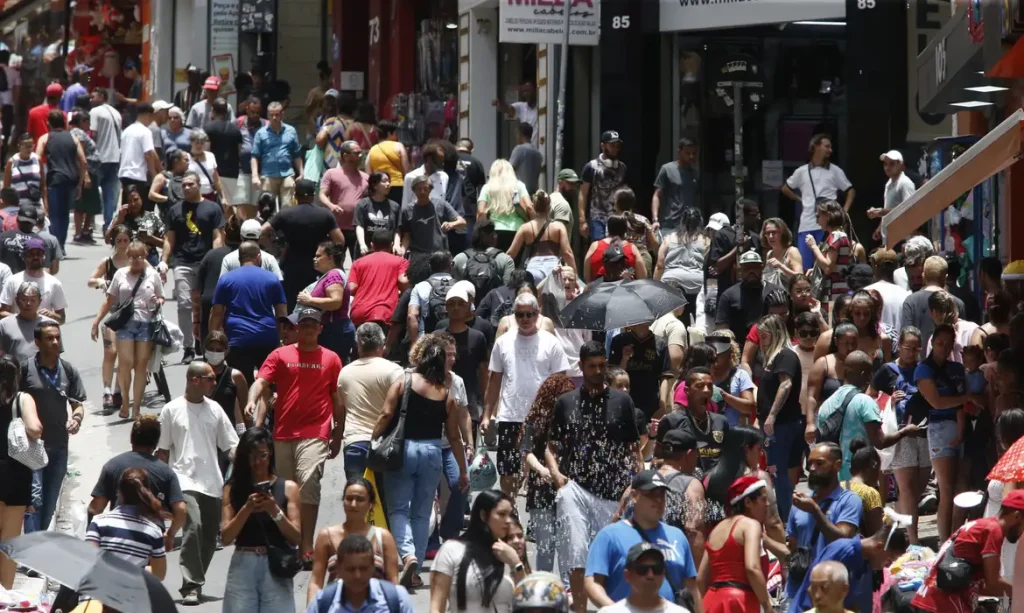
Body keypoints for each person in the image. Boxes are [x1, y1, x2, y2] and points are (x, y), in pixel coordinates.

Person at [548, 341, 647, 613]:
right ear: (580, 366)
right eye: (591, 366)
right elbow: (551, 446)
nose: (597, 371)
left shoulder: (622, 401)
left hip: (614, 493)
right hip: (575, 489)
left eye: (602, 366)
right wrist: (557, 475)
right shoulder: (565, 402)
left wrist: (635, 485)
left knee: (615, 561)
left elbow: (633, 449)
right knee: (577, 556)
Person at [371, 334, 469, 587]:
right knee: (422, 512)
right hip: (433, 452)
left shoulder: (403, 380)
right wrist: (463, 470)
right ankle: (414, 573)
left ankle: (408, 554)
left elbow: (385, 414)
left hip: (404, 451)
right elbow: (454, 438)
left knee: (398, 508)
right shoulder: (447, 394)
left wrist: (372, 438)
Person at [248, 305, 343, 567]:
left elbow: (337, 398)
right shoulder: (280, 355)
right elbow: (261, 382)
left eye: (314, 324)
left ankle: (307, 546)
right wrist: (251, 399)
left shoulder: (332, 359)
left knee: (309, 484)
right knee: (288, 491)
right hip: (283, 432)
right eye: (305, 324)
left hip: (316, 432)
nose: (309, 327)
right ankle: (288, 541)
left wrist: (338, 434)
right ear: (297, 328)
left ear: (321, 328)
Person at [157, 361, 240, 605]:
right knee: (194, 527)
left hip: (212, 481)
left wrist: (245, 463)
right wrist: (161, 490)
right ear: (195, 380)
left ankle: (196, 579)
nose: (215, 383)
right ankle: (191, 585)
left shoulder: (214, 409)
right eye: (210, 378)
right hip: (182, 480)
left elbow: (230, 444)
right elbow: (162, 452)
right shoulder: (171, 410)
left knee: (209, 536)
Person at [484, 292, 569, 496]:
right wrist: (487, 415)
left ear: (537, 314)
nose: (524, 319)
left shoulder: (551, 342)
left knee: (540, 469)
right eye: (520, 315)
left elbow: (560, 381)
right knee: (508, 469)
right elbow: (494, 380)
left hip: (541, 417)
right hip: (510, 415)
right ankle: (511, 509)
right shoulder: (502, 342)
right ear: (514, 316)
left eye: (529, 314)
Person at [585, 470, 701, 611]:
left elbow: (692, 588)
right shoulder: (609, 535)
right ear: (634, 496)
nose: (658, 500)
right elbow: (592, 583)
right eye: (651, 494)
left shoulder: (678, 536)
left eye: (662, 495)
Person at [220, 427, 302, 613]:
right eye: (251, 456)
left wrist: (274, 510)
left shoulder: (288, 488)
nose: (257, 462)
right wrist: (247, 509)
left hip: (275, 565)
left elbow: (296, 537)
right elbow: (225, 537)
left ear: (270, 453)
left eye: (262, 455)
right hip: (243, 564)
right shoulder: (232, 489)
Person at [909, 490, 1023, 613]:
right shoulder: (993, 531)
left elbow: (983, 586)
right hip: (942, 603)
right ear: (1016, 516)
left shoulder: (982, 525)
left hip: (929, 598)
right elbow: (993, 584)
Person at [21, 322, 86, 534]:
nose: (55, 342)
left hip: (59, 446)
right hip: (31, 447)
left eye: (57, 337)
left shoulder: (68, 370)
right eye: (49, 338)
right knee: (34, 500)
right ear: (38, 342)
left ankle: (38, 544)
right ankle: (32, 550)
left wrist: (76, 419)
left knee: (49, 502)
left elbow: (77, 403)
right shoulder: (25, 369)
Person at [87, 415, 186, 552]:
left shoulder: (112, 465)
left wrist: (92, 536)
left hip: (117, 539)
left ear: (131, 439)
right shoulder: (166, 472)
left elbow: (95, 508)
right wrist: (170, 535)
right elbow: (180, 510)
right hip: (150, 543)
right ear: (156, 442)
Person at [814, 350, 916, 480]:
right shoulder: (865, 402)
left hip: (833, 481)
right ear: (864, 374)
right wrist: (906, 431)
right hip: (858, 480)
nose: (870, 378)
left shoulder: (826, 404)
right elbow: (880, 442)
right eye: (869, 374)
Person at [915, 323, 975, 542]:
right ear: (932, 342)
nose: (944, 347)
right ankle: (944, 540)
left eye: (948, 344)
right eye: (940, 343)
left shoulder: (957, 368)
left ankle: (956, 536)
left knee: (961, 486)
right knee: (946, 489)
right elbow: (937, 402)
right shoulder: (924, 369)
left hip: (962, 425)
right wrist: (966, 399)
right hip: (940, 427)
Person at [783, 443, 862, 605]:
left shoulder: (849, 501)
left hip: (832, 592)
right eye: (810, 463)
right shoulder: (800, 502)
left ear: (837, 465)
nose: (812, 468)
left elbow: (843, 540)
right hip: (798, 591)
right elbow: (792, 547)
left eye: (819, 463)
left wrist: (814, 511)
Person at [91, 241, 163, 419]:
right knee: (126, 363)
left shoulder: (153, 275)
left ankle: (136, 408)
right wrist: (97, 321)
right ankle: (125, 401)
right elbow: (109, 301)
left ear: (145, 257)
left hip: (146, 323)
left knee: (141, 366)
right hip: (125, 324)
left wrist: (157, 301)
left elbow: (161, 298)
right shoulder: (120, 275)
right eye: (133, 257)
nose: (137, 260)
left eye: (140, 256)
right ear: (128, 258)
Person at [870, 327, 929, 543]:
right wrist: (889, 401)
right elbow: (871, 398)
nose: (912, 352)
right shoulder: (887, 370)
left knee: (920, 486)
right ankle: (913, 540)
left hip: (924, 434)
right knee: (907, 489)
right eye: (908, 348)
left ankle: (897, 517)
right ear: (899, 347)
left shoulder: (924, 370)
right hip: (901, 436)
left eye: (916, 348)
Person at [161, 171, 226, 364]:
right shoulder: (175, 210)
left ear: (199, 185)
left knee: (207, 304)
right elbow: (169, 239)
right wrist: (164, 261)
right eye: (184, 185)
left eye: (190, 184)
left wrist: (215, 258)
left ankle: (204, 340)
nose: (187, 188)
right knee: (184, 305)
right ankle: (188, 346)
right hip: (182, 262)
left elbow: (217, 236)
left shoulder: (212, 208)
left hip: (205, 262)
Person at [428, 489, 524, 613]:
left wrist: (516, 563)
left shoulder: (510, 552)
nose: (508, 520)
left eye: (510, 515)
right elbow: (436, 606)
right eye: (502, 514)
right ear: (483, 515)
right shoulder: (452, 550)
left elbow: (527, 600)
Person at [308, 477, 400, 603]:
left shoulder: (383, 537)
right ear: (343, 501)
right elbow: (316, 582)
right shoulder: (326, 536)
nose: (353, 504)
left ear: (371, 504)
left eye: (360, 499)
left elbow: (393, 583)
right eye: (349, 499)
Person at [211, 241, 288, 381]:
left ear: (239, 258)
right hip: (267, 337)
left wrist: (213, 339)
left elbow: (216, 313)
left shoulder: (226, 279)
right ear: (258, 257)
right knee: (267, 383)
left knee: (242, 382)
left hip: (237, 339)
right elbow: (281, 313)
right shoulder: (272, 278)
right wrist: (282, 338)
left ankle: (245, 403)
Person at [263, 178, 344, 309]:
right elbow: (339, 240)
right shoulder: (325, 215)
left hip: (290, 265)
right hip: (317, 266)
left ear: (295, 196)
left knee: (290, 304)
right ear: (313, 196)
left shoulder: (284, 214)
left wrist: (275, 250)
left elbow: (263, 232)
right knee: (314, 305)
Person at [336, 323, 403, 481]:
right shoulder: (394, 371)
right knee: (384, 502)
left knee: (357, 500)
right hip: (385, 445)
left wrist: (336, 439)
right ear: (382, 342)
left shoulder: (345, 372)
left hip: (355, 442)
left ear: (358, 343)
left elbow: (340, 410)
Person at [698, 476, 774, 613]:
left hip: (710, 602)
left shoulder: (716, 530)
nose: (767, 504)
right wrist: (767, 605)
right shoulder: (751, 525)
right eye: (763, 499)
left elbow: (701, 578)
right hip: (739, 602)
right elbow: (752, 568)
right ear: (748, 502)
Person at [754, 314, 803, 521]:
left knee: (777, 474)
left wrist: (771, 415)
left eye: (764, 337)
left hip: (781, 426)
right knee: (781, 475)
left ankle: (787, 521)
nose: (761, 342)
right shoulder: (773, 358)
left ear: (774, 334)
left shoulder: (784, 356)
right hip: (778, 425)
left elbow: (786, 384)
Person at [781, 134, 854, 266]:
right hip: (806, 225)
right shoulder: (801, 172)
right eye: (827, 146)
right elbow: (785, 188)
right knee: (806, 266)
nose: (830, 150)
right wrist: (800, 199)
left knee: (826, 264)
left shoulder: (835, 171)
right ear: (815, 146)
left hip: (828, 225)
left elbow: (851, 191)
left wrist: (844, 211)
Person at [0, 355, 40, 589]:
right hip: (15, 473)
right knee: (10, 539)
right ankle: (4, 593)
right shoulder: (22, 399)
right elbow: (35, 428)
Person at [85, 468, 167, 579]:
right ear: (146, 491)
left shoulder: (98, 522)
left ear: (119, 492)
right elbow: (159, 575)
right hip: (132, 593)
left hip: (98, 590)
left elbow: (89, 560)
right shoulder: (153, 531)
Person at [307, 534, 415, 613]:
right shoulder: (322, 603)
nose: (357, 576)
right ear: (338, 568)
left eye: (363, 569)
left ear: (373, 567)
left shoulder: (397, 599)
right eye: (351, 569)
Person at [437, 282, 490, 434]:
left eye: (461, 304)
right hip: (440, 403)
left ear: (469, 307)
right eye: (451, 304)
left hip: (470, 406)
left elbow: (483, 372)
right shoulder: (436, 336)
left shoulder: (477, 337)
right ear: (446, 307)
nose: (456, 308)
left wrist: (486, 409)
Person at [399, 174, 465, 284]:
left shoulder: (441, 204)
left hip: (440, 256)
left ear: (430, 189)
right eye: (419, 189)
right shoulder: (407, 210)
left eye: (426, 188)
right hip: (418, 258)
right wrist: (402, 251)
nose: (422, 192)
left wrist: (451, 224)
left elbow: (462, 222)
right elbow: (407, 236)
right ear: (414, 190)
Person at [35, 109, 87, 248]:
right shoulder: (73, 138)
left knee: (53, 215)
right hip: (71, 180)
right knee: (64, 215)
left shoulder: (45, 138)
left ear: (49, 123)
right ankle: (61, 246)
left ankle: (53, 246)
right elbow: (83, 161)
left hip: (55, 179)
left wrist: (40, 177)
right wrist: (80, 183)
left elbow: (37, 158)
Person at [297, 242, 355, 362]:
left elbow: (335, 302)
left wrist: (310, 300)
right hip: (332, 331)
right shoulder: (330, 275)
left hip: (335, 332)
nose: (315, 259)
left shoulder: (334, 275)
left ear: (330, 258)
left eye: (318, 256)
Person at [715, 252, 783, 351]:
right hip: (740, 350)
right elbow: (722, 330)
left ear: (762, 267)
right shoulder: (729, 295)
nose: (751, 272)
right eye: (747, 268)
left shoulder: (775, 292)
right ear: (740, 270)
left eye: (754, 267)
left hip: (772, 347)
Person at [901, 255, 965, 358]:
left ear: (923, 276)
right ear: (945, 277)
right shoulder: (957, 303)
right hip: (950, 365)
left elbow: (906, 336)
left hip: (918, 367)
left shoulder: (910, 301)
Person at [507, 190, 575, 284]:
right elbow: (567, 253)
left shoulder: (525, 228)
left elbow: (511, 254)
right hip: (554, 269)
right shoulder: (559, 226)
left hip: (533, 269)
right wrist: (575, 276)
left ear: (534, 207)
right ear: (549, 207)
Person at [655, 207, 709, 327]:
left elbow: (659, 265)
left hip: (671, 285)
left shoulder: (669, 238)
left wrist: (655, 285)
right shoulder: (705, 240)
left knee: (672, 322)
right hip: (697, 286)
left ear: (682, 221)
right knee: (696, 322)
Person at [610, 320, 670, 421]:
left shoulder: (660, 344)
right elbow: (614, 377)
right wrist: (624, 359)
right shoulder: (619, 341)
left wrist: (662, 404)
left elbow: (664, 377)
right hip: (625, 400)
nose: (644, 323)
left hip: (651, 401)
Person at [348, 230, 409, 328]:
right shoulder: (401, 262)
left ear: (372, 245)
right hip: (385, 313)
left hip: (359, 313)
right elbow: (403, 282)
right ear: (391, 245)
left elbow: (351, 288)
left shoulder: (357, 263)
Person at [320, 140, 369, 263]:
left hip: (357, 228)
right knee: (335, 263)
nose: (360, 155)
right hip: (336, 228)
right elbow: (322, 195)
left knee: (359, 263)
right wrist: (331, 206)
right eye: (356, 153)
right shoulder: (331, 173)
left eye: (360, 153)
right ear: (345, 155)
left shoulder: (366, 177)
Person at [0, 237, 67, 323]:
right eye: (31, 254)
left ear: (44, 256)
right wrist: (22, 317)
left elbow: (62, 318)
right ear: (24, 256)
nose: (35, 257)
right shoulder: (13, 281)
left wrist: (52, 315)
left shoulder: (55, 283)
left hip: (42, 333)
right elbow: (2, 313)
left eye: (39, 254)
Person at [251, 101, 302, 208]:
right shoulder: (261, 133)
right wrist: (255, 176)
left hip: (287, 173)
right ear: (267, 115)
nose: (274, 117)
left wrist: (301, 173)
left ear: (282, 115)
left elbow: (296, 154)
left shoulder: (291, 131)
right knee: (267, 208)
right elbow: (255, 156)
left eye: (277, 114)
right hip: (268, 175)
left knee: (288, 206)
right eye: (271, 115)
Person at [579, 131, 627, 240]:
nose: (615, 149)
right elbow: (583, 193)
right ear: (603, 145)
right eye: (612, 145)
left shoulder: (622, 168)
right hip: (597, 217)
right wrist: (582, 221)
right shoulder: (591, 167)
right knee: (599, 249)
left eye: (617, 146)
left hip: (617, 217)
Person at [477, 159, 533, 252]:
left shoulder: (487, 187)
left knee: (495, 262)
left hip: (494, 230)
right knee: (513, 263)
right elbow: (529, 207)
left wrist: (481, 229)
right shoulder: (519, 185)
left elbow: (481, 211)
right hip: (517, 230)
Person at [707, 199, 762, 292]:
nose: (758, 218)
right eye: (754, 215)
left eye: (758, 214)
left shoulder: (756, 238)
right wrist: (739, 248)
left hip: (751, 293)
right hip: (727, 291)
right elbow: (716, 268)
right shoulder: (722, 235)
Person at [116, 103, 160, 214]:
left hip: (125, 175)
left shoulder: (127, 131)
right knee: (139, 210)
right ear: (148, 115)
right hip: (138, 176)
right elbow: (148, 154)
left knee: (127, 208)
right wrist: (154, 176)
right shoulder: (145, 132)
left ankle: (125, 230)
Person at [652, 137, 699, 234]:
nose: (691, 156)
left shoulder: (695, 173)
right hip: (671, 224)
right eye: (687, 153)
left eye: (693, 153)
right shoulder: (667, 169)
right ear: (679, 152)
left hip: (690, 224)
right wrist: (655, 219)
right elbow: (657, 195)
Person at [868, 150, 916, 244]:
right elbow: (889, 208)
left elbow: (908, 210)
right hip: (889, 239)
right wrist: (879, 228)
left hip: (902, 239)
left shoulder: (905, 183)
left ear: (901, 165)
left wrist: (882, 212)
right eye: (885, 164)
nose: (887, 167)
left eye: (892, 164)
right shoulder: (889, 183)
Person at [0, 283, 55, 363]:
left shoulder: (50, 325)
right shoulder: (3, 325)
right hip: (15, 373)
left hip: (43, 373)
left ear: (39, 301)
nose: (28, 304)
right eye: (24, 300)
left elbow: (56, 354)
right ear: (17, 300)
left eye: (33, 300)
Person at [707, 335, 756, 426]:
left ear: (729, 354)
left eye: (719, 356)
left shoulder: (740, 375)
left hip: (732, 431)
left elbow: (749, 407)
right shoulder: (701, 375)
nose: (715, 359)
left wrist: (724, 395)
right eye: (711, 356)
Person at [111, 184, 165, 265]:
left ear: (142, 198)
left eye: (136, 200)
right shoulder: (121, 216)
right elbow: (107, 239)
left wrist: (150, 238)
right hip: (125, 260)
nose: (133, 204)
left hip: (149, 260)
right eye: (129, 201)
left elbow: (166, 244)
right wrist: (119, 220)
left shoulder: (153, 217)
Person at [70, 111, 102, 243]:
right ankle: (79, 232)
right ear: (81, 121)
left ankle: (85, 231)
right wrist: (86, 175)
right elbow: (80, 155)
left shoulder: (82, 133)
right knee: (81, 204)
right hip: (86, 172)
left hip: (91, 171)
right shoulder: (78, 133)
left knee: (91, 204)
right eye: (87, 121)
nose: (89, 123)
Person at [584, 215, 648, 282]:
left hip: (598, 289)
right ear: (625, 230)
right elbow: (643, 276)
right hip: (624, 290)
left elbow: (586, 276)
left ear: (608, 228)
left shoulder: (595, 246)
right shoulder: (631, 248)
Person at [204, 98, 243, 208]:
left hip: (213, 175)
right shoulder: (235, 130)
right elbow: (239, 153)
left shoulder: (208, 128)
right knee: (228, 207)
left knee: (212, 207)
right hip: (231, 174)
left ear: (213, 110)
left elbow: (206, 153)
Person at [236, 98, 269, 219]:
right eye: (252, 112)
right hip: (242, 169)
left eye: (257, 112)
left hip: (260, 172)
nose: (255, 115)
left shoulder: (266, 124)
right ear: (247, 110)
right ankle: (242, 229)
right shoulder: (239, 123)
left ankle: (252, 229)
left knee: (255, 203)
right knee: (242, 200)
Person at [355, 172, 401, 255]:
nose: (388, 184)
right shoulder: (363, 204)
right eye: (384, 181)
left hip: (387, 252)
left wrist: (397, 244)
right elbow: (359, 226)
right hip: (366, 251)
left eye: (389, 182)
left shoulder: (395, 206)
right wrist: (362, 244)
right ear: (374, 185)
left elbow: (397, 229)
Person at [366, 120, 409, 204]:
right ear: (389, 133)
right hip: (397, 186)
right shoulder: (399, 146)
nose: (397, 136)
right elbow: (406, 170)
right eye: (395, 133)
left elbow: (368, 173)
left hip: (378, 188)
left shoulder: (372, 150)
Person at [5, 133, 46, 212]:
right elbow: (6, 189)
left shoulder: (37, 160)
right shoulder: (11, 162)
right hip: (17, 208)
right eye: (26, 146)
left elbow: (43, 186)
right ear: (19, 146)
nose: (29, 149)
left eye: (31, 146)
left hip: (36, 207)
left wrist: (46, 208)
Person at [401, 143, 448, 208]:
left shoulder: (444, 177)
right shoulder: (411, 177)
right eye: (439, 160)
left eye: (443, 160)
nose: (442, 164)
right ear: (429, 159)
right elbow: (406, 203)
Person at [186, 128, 226, 205]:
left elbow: (216, 179)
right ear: (191, 142)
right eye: (197, 142)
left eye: (202, 143)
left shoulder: (210, 156)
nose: (199, 145)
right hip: (193, 197)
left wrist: (223, 197)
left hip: (210, 196)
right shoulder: (186, 158)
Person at [761, 217, 803, 289]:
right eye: (767, 233)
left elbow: (800, 279)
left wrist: (781, 266)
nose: (770, 236)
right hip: (771, 297)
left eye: (774, 232)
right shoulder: (769, 254)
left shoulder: (792, 251)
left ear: (782, 232)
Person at [510, 123, 544, 195]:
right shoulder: (538, 154)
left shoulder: (519, 149)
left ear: (520, 134)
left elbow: (508, 169)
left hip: (520, 195)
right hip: (533, 195)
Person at [0, 49, 21, 163]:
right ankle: (2, 160)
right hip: (8, 105)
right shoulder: (14, 73)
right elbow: (17, 91)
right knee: (5, 133)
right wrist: (16, 107)